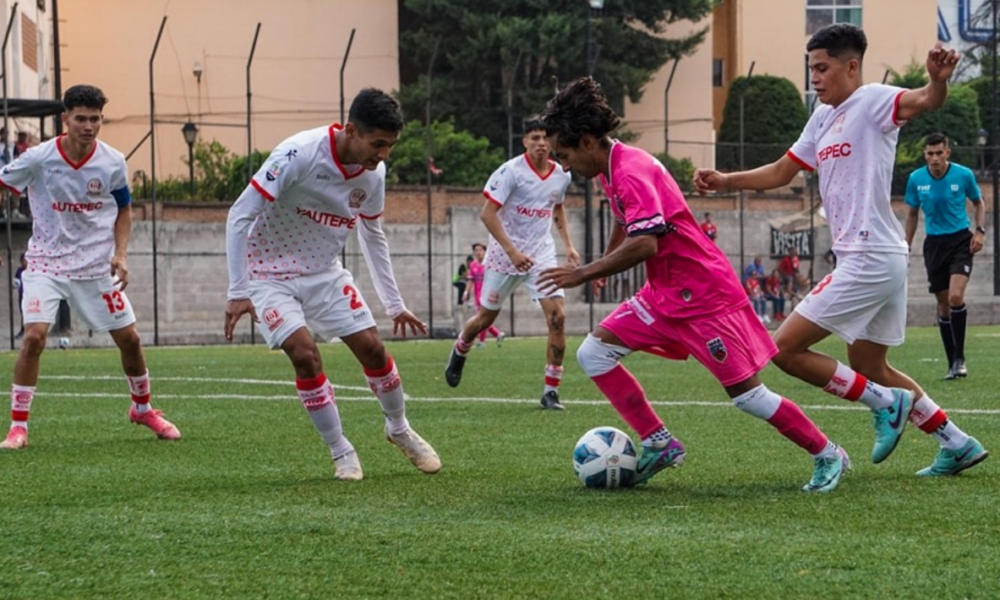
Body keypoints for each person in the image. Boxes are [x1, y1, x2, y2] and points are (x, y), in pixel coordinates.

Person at [694, 24, 987, 476]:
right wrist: (725, 180)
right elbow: (781, 171)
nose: (814, 78)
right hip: (876, 256)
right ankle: (957, 441)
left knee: (785, 349)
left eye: (822, 68)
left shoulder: (872, 101)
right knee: (869, 363)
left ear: (851, 66)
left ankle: (885, 404)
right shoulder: (822, 118)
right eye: (810, 68)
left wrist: (939, 80)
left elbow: (926, 100)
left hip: (870, 255)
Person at [538, 77, 848, 492]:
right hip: (664, 294)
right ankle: (658, 442)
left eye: (566, 154)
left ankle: (829, 453)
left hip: (703, 295)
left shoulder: (629, 171)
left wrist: (584, 273)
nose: (564, 165)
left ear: (589, 140)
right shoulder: (610, 168)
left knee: (748, 396)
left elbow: (645, 243)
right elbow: (624, 223)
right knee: (594, 352)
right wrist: (602, 266)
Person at [224, 88, 440, 481]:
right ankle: (341, 450)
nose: (384, 155)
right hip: (268, 276)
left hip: (324, 272)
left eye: (391, 146)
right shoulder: (298, 153)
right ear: (351, 130)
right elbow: (239, 215)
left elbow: (372, 234)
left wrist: (395, 304)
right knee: (304, 354)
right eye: (378, 144)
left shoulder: (374, 173)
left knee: (373, 349)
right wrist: (238, 290)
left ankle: (399, 429)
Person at [0, 84, 180, 450]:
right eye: (80, 118)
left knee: (130, 339)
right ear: (65, 119)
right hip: (46, 265)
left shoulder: (112, 162)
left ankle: (142, 409)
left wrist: (122, 253)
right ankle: (18, 427)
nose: (88, 126)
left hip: (96, 268)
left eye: (95, 119)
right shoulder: (38, 158)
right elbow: (4, 183)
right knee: (34, 337)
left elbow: (125, 208)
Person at [444, 115, 579, 411]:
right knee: (485, 319)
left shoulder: (561, 175)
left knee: (558, 317)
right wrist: (513, 252)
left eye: (545, 138)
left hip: (541, 256)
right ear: (525, 142)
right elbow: (487, 214)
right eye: (535, 138)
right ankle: (460, 349)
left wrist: (568, 246)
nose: (541, 143)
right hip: (504, 257)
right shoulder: (510, 172)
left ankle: (550, 391)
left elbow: (557, 208)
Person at [904, 132, 985, 381]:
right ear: (925, 155)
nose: (935, 158)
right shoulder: (916, 179)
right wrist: (904, 246)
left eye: (939, 153)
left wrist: (980, 231)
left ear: (947, 152)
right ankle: (952, 363)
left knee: (955, 296)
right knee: (942, 305)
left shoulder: (963, 175)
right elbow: (912, 215)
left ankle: (960, 359)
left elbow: (979, 203)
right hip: (934, 245)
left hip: (961, 240)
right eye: (930, 154)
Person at [462, 242, 504, 348]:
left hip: (487, 295)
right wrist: (466, 292)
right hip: (477, 297)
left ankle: (482, 342)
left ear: (485, 251)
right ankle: (497, 334)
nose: (478, 252)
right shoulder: (473, 265)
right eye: (476, 250)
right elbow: (470, 281)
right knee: (482, 318)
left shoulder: (489, 265)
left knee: (482, 318)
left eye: (480, 250)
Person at [13, 253, 26, 339]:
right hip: (22, 295)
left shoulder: (31, 270)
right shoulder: (19, 271)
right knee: (23, 313)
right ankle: (23, 330)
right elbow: (16, 282)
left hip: (31, 295)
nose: (25, 262)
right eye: (23, 261)